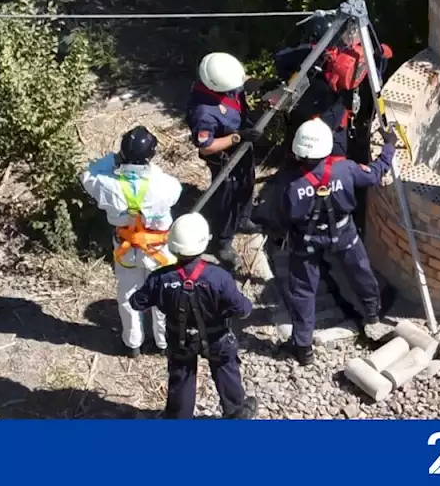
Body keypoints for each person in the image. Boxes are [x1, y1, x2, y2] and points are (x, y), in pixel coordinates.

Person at [252, 118, 397, 365]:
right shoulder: (346, 169)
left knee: (303, 291)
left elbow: (273, 217)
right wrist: (389, 147)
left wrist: (278, 232)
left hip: (306, 242)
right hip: (344, 235)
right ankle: (372, 315)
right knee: (360, 272)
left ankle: (303, 347)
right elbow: (374, 175)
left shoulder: (286, 183)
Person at [129, 213, 258, 419]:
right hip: (218, 337)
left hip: (179, 337)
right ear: (204, 242)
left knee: (181, 375)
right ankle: (235, 411)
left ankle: (179, 418)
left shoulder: (160, 278)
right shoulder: (219, 277)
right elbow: (243, 309)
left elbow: (137, 302)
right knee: (225, 368)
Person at [78, 126, 181, 358]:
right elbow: (176, 193)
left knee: (127, 295)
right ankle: (163, 342)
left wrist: (113, 160)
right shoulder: (165, 185)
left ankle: (132, 342)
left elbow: (86, 175)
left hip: (127, 250)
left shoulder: (104, 183)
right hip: (158, 250)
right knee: (162, 296)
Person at [271, 14, 392, 161]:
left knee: (299, 156)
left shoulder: (305, 54)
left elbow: (280, 59)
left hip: (309, 116)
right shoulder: (349, 54)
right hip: (337, 118)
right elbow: (378, 66)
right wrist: (379, 54)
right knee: (337, 159)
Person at [187, 52, 263, 269]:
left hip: (242, 145)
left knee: (247, 181)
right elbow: (206, 146)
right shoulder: (204, 112)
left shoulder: (225, 75)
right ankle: (223, 242)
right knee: (226, 198)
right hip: (224, 156)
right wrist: (237, 137)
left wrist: (265, 85)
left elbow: (244, 82)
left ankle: (244, 219)